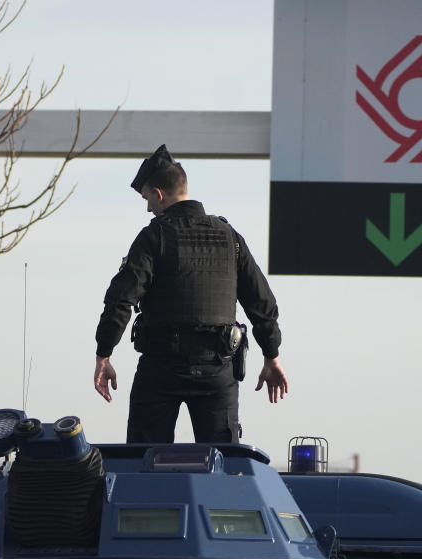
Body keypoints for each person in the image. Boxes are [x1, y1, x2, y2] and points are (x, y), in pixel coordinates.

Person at [93, 144, 288, 444]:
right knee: (221, 470)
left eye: (147, 199)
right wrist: (271, 355)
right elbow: (261, 302)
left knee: (144, 465)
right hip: (218, 370)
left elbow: (121, 298)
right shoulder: (230, 237)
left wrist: (104, 353)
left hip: (160, 368)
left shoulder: (153, 236)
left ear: (159, 194)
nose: (148, 208)